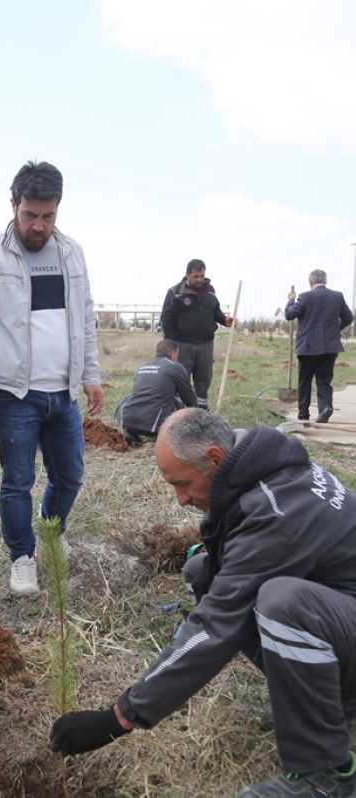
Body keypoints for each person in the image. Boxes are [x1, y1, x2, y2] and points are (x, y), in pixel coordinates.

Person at [50, 408, 356, 797]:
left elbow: (215, 626)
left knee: (283, 603)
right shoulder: (255, 464)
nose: (180, 500)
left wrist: (119, 717)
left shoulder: (277, 511)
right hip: (343, 612)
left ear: (214, 458)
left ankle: (324, 773)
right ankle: (326, 702)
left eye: (182, 484)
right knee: (202, 573)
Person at [0, 160, 103, 596]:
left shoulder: (72, 252)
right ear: (13, 205)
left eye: (48, 216)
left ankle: (51, 538)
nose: (39, 225)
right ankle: (21, 557)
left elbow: (85, 317)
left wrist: (91, 373)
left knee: (70, 475)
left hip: (63, 391)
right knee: (17, 479)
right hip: (13, 392)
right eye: (30, 215)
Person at [159, 259, 232, 409]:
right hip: (182, 345)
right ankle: (180, 413)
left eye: (202, 276)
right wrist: (172, 343)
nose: (200, 280)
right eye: (196, 276)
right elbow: (166, 318)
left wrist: (225, 320)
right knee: (181, 380)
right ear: (187, 275)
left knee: (203, 381)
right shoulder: (175, 292)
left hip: (205, 345)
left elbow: (215, 312)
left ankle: (202, 412)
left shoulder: (210, 291)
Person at [285, 269, 354, 423]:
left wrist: (291, 300)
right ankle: (325, 408)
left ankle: (303, 415)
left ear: (311, 282)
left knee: (305, 381)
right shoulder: (337, 296)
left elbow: (289, 315)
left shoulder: (304, 297)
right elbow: (348, 318)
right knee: (324, 380)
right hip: (330, 347)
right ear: (325, 281)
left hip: (307, 347)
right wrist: (336, 328)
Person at [116, 338, 197, 446]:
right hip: (154, 426)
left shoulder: (142, 366)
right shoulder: (174, 367)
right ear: (173, 353)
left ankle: (132, 432)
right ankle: (160, 433)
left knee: (129, 397)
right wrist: (197, 415)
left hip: (128, 420)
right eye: (177, 354)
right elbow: (188, 397)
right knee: (176, 402)